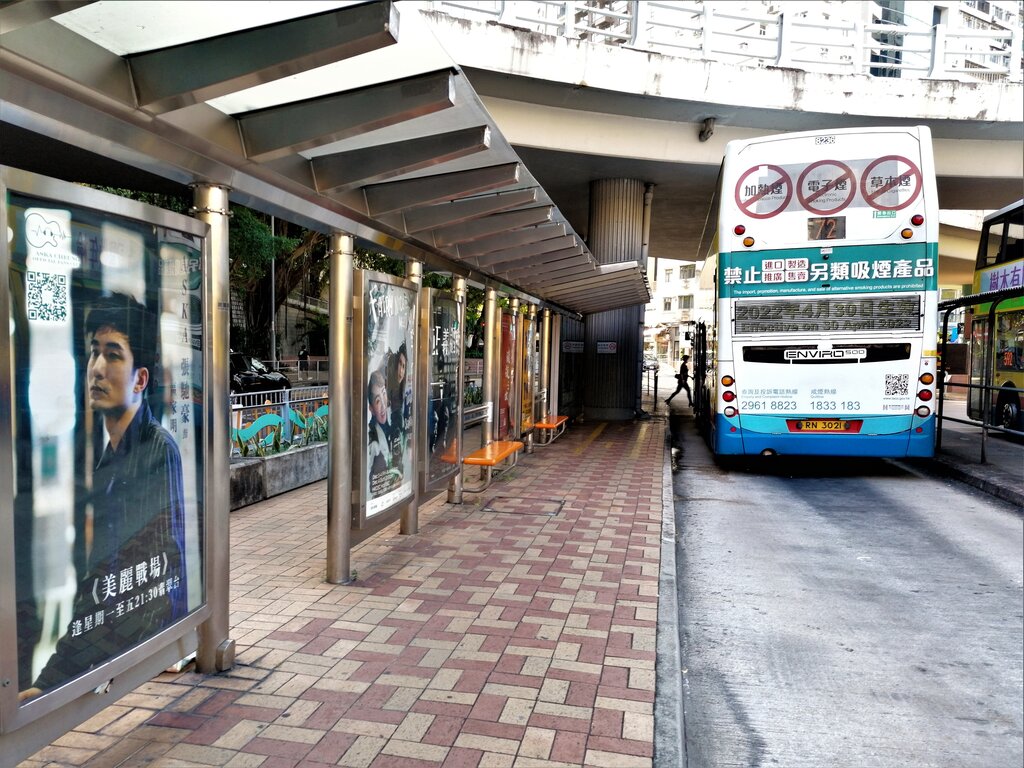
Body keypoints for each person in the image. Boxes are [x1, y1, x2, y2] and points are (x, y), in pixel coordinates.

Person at [21, 293, 188, 700]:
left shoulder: (156, 449)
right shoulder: (106, 454)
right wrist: (50, 681)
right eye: (94, 352)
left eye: (113, 355)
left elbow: (156, 573)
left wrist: (110, 669)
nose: (96, 368)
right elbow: (100, 586)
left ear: (140, 379)